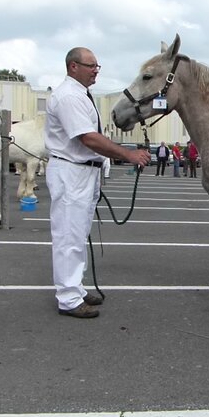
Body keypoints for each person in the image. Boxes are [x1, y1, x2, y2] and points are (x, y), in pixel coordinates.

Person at [45, 46, 151, 319]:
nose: (96, 71)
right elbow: (88, 138)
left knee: (78, 233)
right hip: (72, 171)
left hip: (83, 171)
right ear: (73, 67)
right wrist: (128, 154)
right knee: (69, 235)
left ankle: (75, 288)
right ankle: (68, 298)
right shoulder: (69, 96)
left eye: (97, 66)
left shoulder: (81, 95)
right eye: (91, 66)